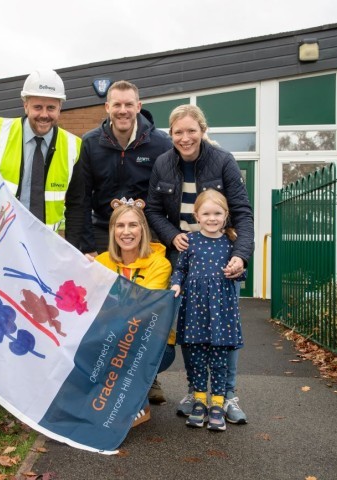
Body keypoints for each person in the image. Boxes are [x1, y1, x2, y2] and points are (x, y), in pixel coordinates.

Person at [0, 69, 82, 416]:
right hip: (0, 244)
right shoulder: (0, 134)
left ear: (60, 108)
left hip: (45, 249)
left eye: (52, 108)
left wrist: (71, 251)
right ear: (25, 103)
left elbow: (77, 203)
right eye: (38, 106)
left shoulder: (75, 146)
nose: (44, 115)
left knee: (41, 319)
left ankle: (31, 391)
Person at [64, 80, 173, 404]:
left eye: (129, 104)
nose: (123, 110)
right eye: (117, 104)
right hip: (102, 230)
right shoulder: (90, 143)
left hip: (146, 231)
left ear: (138, 106)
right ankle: (102, 374)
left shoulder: (160, 143)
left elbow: (168, 195)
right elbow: (80, 199)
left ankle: (148, 376)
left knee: (146, 305)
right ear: (107, 108)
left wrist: (165, 237)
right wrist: (84, 247)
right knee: (104, 306)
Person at [145, 104, 254, 424]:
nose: (185, 137)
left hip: (222, 257)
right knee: (187, 330)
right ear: (171, 134)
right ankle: (196, 393)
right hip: (184, 256)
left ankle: (228, 394)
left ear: (203, 131)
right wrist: (171, 236)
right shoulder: (163, 164)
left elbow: (242, 212)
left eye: (191, 130)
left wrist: (241, 254)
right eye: (178, 132)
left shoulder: (224, 162)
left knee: (225, 331)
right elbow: (152, 210)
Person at [169, 189, 245, 431]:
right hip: (194, 309)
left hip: (222, 310)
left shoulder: (231, 242)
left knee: (220, 357)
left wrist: (237, 270)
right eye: (207, 213)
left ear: (225, 215)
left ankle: (218, 403)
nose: (212, 218)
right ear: (196, 215)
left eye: (217, 213)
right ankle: (200, 400)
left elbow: (241, 272)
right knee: (196, 356)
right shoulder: (189, 241)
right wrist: (176, 283)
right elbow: (181, 269)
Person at [92, 198, 172, 427]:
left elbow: (143, 310)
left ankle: (135, 402)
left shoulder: (160, 264)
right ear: (112, 231)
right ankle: (108, 399)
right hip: (109, 337)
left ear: (143, 230)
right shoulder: (100, 262)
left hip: (150, 342)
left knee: (127, 343)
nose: (126, 232)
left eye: (133, 225)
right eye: (120, 226)